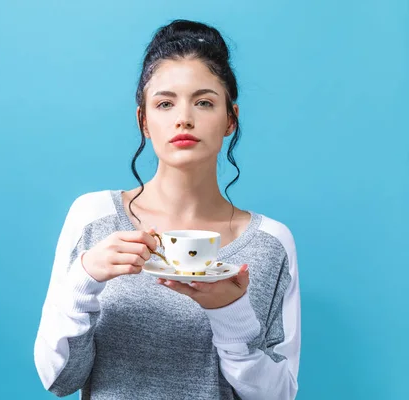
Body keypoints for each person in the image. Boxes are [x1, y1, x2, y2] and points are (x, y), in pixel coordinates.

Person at [34, 19, 301, 400]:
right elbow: (57, 379)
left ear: (230, 119)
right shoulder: (93, 217)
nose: (184, 118)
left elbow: (279, 395)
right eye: (164, 103)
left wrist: (230, 312)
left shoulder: (271, 243)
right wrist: (84, 279)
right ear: (143, 120)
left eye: (205, 102)